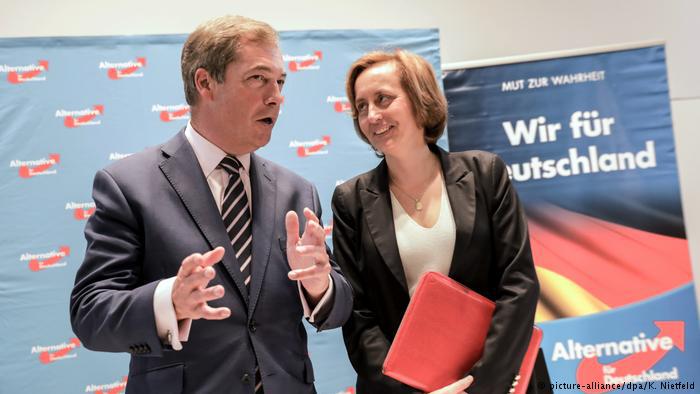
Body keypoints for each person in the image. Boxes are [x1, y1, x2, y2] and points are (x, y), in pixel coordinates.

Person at [70, 15, 352, 394]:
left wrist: (320, 285)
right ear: (205, 82)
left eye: (280, 82)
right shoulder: (128, 185)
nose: (276, 96)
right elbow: (91, 313)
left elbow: (338, 306)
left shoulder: (297, 191)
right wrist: (169, 300)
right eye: (258, 79)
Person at [331, 49, 544, 394]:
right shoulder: (350, 200)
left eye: (383, 99)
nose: (371, 116)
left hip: (500, 381)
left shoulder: (485, 174)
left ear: (419, 98)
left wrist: (479, 385)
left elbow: (518, 284)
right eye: (361, 107)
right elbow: (359, 317)